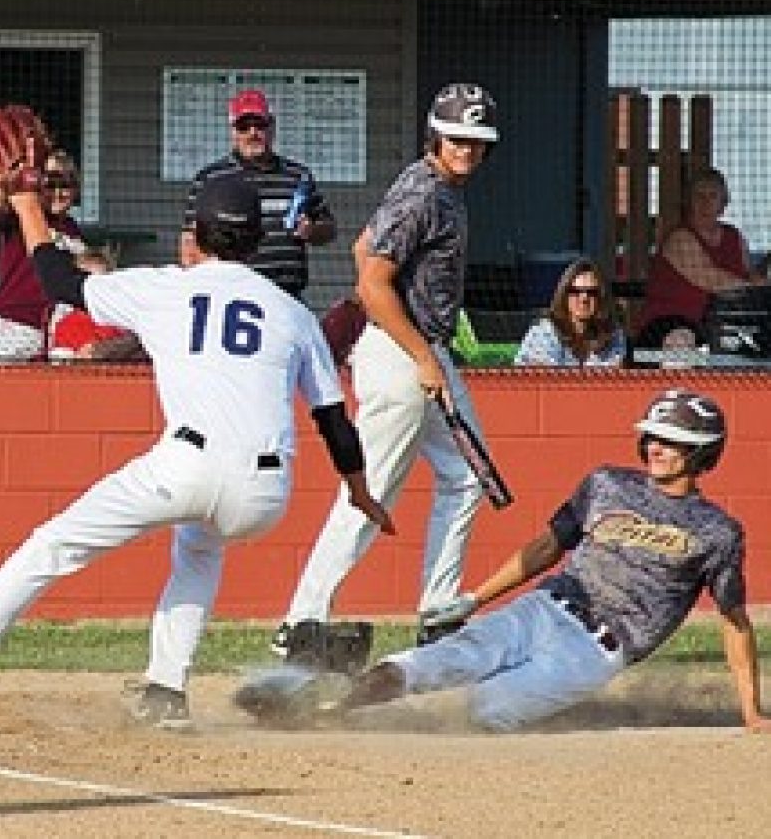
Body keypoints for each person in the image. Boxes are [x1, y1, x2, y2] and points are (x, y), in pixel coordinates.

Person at [0, 122, 392, 728]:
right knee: (199, 549)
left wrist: (24, 203)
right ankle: (166, 692)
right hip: (264, 493)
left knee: (53, 545)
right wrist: (359, 492)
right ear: (256, 241)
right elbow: (335, 423)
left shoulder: (165, 290)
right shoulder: (291, 312)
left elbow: (58, 281)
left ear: (197, 235)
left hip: (188, 465)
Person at [243, 389, 771, 735]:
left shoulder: (715, 531)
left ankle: (382, 722)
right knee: (436, 661)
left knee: (489, 710)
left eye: (672, 441)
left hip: (598, 649)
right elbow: (546, 547)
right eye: (652, 436)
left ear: (701, 453)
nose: (656, 447)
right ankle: (325, 705)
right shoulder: (607, 483)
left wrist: (750, 710)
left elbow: (733, 622)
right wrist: (474, 598)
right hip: (545, 606)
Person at [271, 83, 500, 659]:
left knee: (468, 475)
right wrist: (422, 356)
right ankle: (302, 621)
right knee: (370, 494)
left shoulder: (430, 185)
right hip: (404, 355)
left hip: (420, 349)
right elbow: (371, 280)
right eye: (457, 138)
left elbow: (361, 246)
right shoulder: (425, 194)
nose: (467, 149)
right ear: (436, 135)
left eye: (476, 140)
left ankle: (438, 613)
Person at [178, 89, 336, 299]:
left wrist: (311, 230)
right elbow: (190, 240)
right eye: (244, 126)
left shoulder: (298, 176)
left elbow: (328, 228)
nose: (253, 133)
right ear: (233, 131)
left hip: (286, 294)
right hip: (230, 294)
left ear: (272, 127)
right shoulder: (211, 178)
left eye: (260, 125)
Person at [637, 167, 767, 350]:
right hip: (669, 327)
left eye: (712, 196)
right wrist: (759, 290)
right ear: (688, 202)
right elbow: (714, 280)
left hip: (721, 329)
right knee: (684, 344)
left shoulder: (735, 237)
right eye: (699, 196)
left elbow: (751, 276)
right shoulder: (679, 238)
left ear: (723, 204)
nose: (705, 203)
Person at [0, 149, 85, 360]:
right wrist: (0, 187)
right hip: (14, 319)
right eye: (50, 185)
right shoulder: (24, 215)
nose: (58, 193)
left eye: (65, 185)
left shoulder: (72, 229)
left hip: (52, 326)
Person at [514, 257, 626, 366]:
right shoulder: (545, 332)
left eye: (591, 292)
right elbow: (544, 380)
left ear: (601, 296)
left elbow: (612, 380)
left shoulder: (613, 335)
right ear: (564, 295)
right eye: (575, 291)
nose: (583, 299)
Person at [45, 248, 144, 362]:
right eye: (86, 282)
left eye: (100, 282)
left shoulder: (123, 320)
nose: (93, 290)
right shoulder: (64, 325)